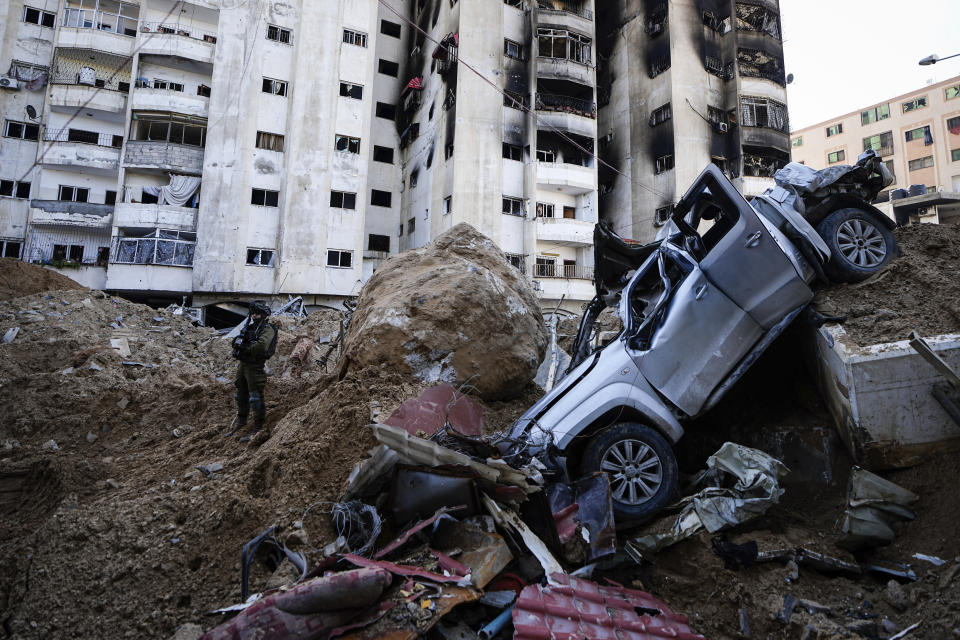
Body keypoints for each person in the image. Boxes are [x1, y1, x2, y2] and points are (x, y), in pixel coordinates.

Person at [228, 301, 278, 438]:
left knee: (255, 396)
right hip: (243, 364)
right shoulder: (248, 328)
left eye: (257, 313)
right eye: (253, 313)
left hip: (255, 365)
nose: (254, 315)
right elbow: (236, 341)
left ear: (263, 315)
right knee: (240, 394)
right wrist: (238, 343)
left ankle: (258, 426)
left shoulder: (267, 329)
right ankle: (241, 422)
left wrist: (246, 348)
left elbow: (262, 346)